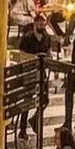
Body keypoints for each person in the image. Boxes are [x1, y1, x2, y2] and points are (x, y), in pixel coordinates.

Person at [15, 13, 53, 141]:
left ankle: (35, 119)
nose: (43, 25)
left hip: (42, 73)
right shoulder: (27, 38)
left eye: (44, 23)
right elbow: (21, 55)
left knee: (45, 99)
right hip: (30, 73)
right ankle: (22, 129)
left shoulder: (47, 37)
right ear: (35, 23)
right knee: (27, 101)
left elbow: (48, 51)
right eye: (40, 23)